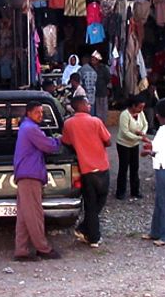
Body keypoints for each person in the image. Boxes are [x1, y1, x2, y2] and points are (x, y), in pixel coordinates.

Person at [12, 101, 62, 262]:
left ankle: (21, 250)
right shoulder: (31, 129)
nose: (40, 115)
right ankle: (43, 248)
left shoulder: (25, 127)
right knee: (34, 214)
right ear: (28, 113)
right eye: (37, 112)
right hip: (30, 175)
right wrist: (60, 140)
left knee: (24, 215)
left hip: (24, 174)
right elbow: (48, 146)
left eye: (41, 112)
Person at [61, 96, 111, 248]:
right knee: (99, 201)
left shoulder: (68, 124)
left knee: (90, 203)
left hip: (86, 169)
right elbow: (108, 140)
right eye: (87, 103)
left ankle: (85, 229)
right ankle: (93, 237)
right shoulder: (96, 121)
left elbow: (66, 142)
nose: (89, 105)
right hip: (102, 166)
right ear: (81, 105)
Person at [141, 98, 165, 246]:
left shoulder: (163, 131)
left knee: (164, 202)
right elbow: (159, 146)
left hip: (164, 168)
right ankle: (155, 231)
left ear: (157, 114)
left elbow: (155, 151)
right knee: (159, 201)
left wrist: (146, 152)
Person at [115, 94, 149, 200]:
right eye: (139, 107)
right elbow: (125, 132)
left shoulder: (141, 113)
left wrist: (142, 133)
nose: (141, 109)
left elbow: (145, 124)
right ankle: (120, 192)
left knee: (135, 168)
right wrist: (140, 138)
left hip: (134, 144)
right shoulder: (124, 115)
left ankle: (135, 191)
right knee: (123, 168)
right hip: (123, 144)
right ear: (133, 106)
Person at [91, 51, 111, 123]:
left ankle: (102, 124)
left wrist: (108, 88)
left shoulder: (103, 68)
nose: (92, 61)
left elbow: (108, 79)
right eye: (92, 59)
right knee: (96, 110)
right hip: (94, 92)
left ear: (98, 60)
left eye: (94, 59)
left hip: (102, 91)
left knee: (102, 110)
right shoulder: (91, 68)